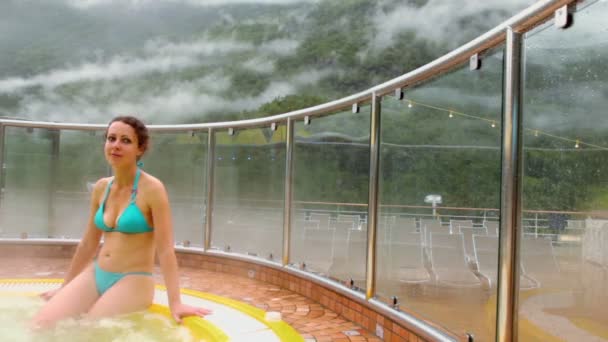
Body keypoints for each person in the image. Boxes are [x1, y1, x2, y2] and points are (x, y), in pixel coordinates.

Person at [32, 116, 211, 328]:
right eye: (111, 138)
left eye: (125, 140)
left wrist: (176, 302)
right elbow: (88, 244)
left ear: (140, 148)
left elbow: (165, 250)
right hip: (98, 273)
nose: (116, 145)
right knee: (40, 324)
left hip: (133, 280)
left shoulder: (153, 189)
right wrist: (65, 287)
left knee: (88, 330)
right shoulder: (101, 187)